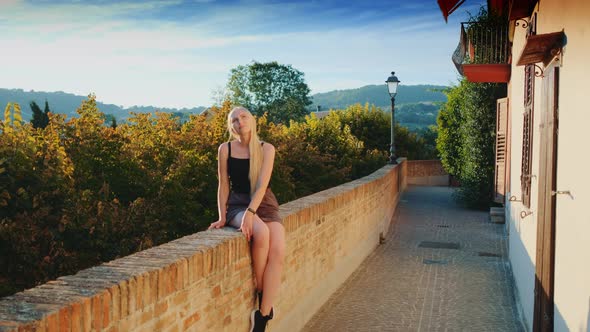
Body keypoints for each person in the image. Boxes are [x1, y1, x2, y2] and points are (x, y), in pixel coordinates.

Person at [208, 106, 285, 332]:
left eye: (243, 117)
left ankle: (262, 317)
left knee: (278, 251)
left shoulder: (267, 149)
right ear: (231, 126)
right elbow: (223, 185)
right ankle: (264, 294)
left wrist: (251, 214)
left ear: (251, 120)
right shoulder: (226, 149)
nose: (239, 122)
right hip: (238, 204)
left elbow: (261, 185)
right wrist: (223, 216)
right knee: (261, 233)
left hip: (264, 202)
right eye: (234, 120)